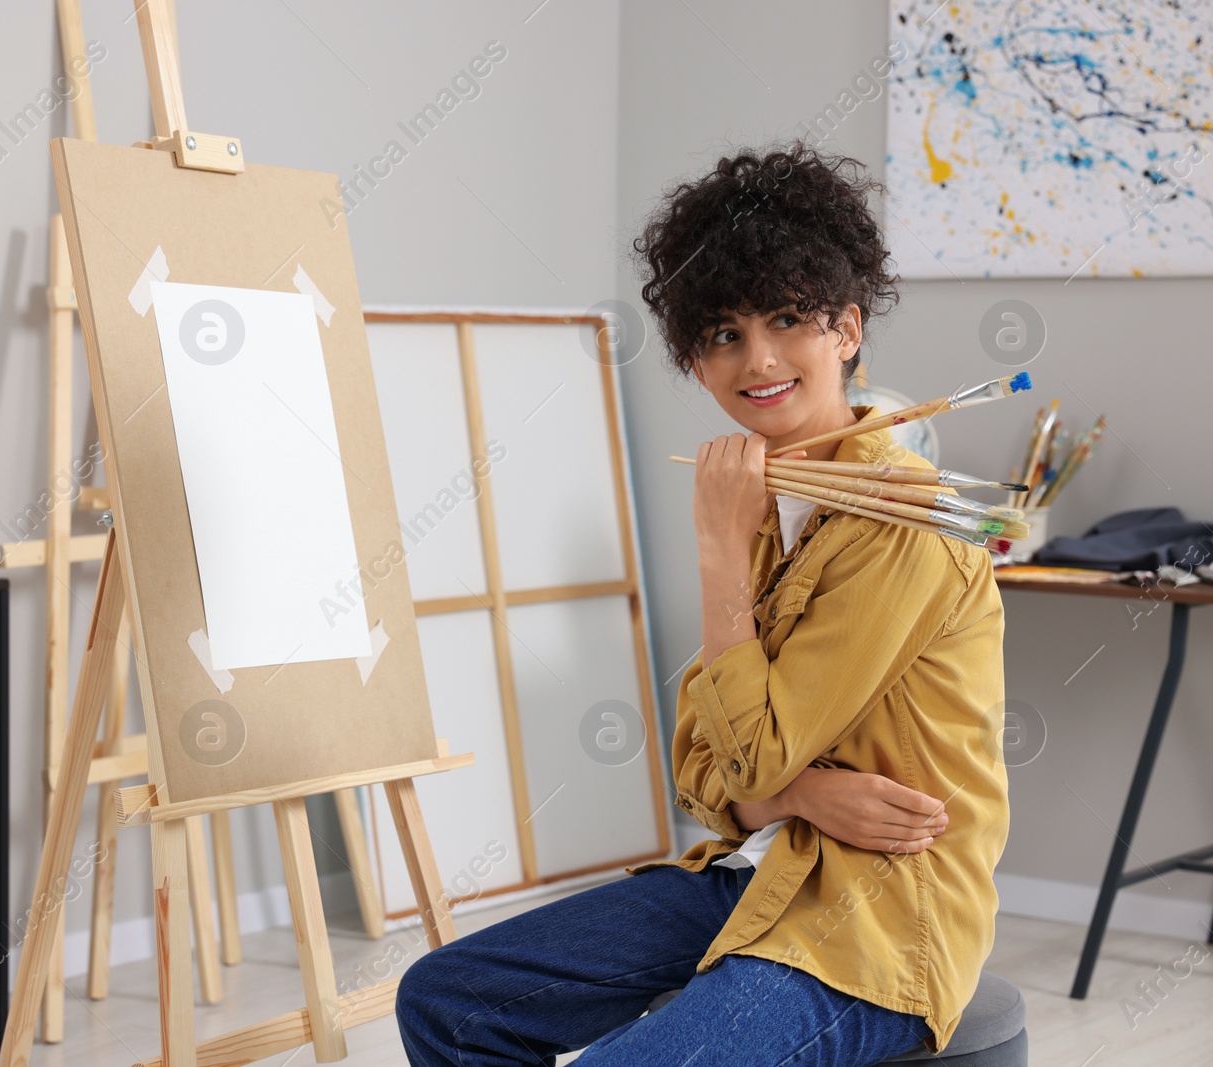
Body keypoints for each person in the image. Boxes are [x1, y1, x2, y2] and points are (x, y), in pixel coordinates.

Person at [396, 141, 1010, 1067]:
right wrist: (797, 793)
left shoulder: (899, 523)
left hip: (872, 924)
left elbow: (745, 752)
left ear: (846, 328)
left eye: (788, 319)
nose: (756, 359)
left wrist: (719, 553)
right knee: (446, 999)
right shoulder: (768, 495)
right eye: (723, 332)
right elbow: (696, 769)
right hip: (756, 873)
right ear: (694, 355)